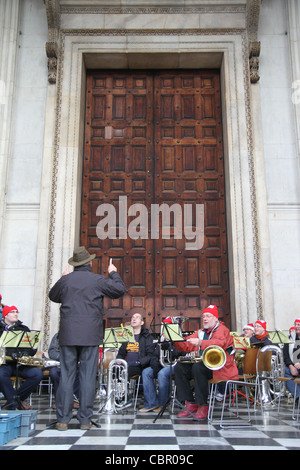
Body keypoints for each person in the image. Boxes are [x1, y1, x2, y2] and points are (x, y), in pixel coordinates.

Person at [48, 246, 126, 431]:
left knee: (67, 376)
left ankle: (63, 420)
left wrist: (63, 278)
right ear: (90, 263)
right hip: (90, 335)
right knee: (88, 377)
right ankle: (84, 420)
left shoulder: (66, 280)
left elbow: (53, 296)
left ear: (74, 264)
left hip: (68, 335)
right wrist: (113, 273)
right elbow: (119, 290)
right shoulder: (97, 280)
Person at [173, 304, 238, 420]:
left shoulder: (223, 330)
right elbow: (187, 345)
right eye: (203, 317)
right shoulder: (201, 332)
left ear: (216, 318)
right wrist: (175, 340)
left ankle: (203, 404)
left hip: (221, 368)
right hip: (206, 366)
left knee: (198, 367)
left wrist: (200, 343)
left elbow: (219, 343)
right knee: (180, 367)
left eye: (208, 316)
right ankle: (190, 402)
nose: (205, 319)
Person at [116, 312, 163, 412]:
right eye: (133, 317)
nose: (134, 319)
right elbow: (121, 352)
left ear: (142, 322)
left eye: (137, 317)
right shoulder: (127, 336)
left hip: (142, 365)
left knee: (135, 372)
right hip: (128, 365)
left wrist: (138, 362)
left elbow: (151, 355)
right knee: (116, 370)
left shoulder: (147, 337)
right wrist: (119, 361)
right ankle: (121, 399)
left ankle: (151, 403)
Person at [0, 305, 43, 410]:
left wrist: (27, 351)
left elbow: (32, 350)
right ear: (5, 315)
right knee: (1, 375)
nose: (16, 314)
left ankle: (14, 401)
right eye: (12, 312)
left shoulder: (24, 329)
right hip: (4, 364)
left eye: (17, 312)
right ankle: (15, 403)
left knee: (37, 374)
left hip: (20, 364)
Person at [48, 332, 80, 408]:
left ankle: (73, 399)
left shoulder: (80, 336)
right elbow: (52, 352)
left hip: (74, 364)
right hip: (60, 363)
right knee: (54, 373)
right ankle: (59, 399)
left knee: (80, 372)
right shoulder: (58, 335)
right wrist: (64, 358)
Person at [283, 318, 300, 401]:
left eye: (299, 325)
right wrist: (290, 365)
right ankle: (297, 397)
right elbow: (285, 355)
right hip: (294, 365)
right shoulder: (290, 338)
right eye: (295, 325)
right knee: (286, 371)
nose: (296, 327)